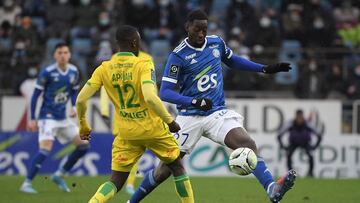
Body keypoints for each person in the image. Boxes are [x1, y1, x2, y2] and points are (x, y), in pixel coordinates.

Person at [130, 10, 295, 203]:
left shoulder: (216, 43)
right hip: (189, 117)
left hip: (216, 112)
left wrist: (264, 69)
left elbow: (233, 61)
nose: (201, 34)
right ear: (187, 27)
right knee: (164, 170)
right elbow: (165, 92)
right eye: (197, 29)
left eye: (204, 30)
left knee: (247, 144)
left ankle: (271, 188)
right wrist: (194, 101)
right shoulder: (178, 56)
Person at [76, 25, 194, 203]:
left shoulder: (104, 68)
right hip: (153, 130)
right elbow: (150, 97)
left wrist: (83, 124)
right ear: (134, 43)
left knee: (115, 180)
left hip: (126, 132)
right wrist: (170, 121)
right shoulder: (144, 64)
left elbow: (80, 100)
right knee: (177, 167)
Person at [19, 43, 89, 194]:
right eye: (60, 53)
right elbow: (35, 96)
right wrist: (32, 118)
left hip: (63, 119)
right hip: (47, 118)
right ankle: (26, 183)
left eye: (65, 52)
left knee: (83, 144)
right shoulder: (47, 72)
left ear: (69, 54)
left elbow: (73, 92)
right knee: (45, 149)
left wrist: (74, 106)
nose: (63, 55)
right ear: (55, 55)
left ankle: (59, 175)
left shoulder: (73, 71)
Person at [99, 51, 155, 195]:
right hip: (132, 117)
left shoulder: (143, 59)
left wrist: (104, 110)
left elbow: (151, 88)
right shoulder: (142, 60)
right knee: (133, 152)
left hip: (130, 118)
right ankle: (128, 183)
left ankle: (126, 183)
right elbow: (152, 89)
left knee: (131, 152)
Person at [277, 109, 322, 177]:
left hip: (305, 142)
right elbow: (279, 135)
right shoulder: (291, 123)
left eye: (300, 117)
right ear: (296, 116)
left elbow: (319, 135)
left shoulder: (307, 123)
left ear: (303, 116)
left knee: (311, 155)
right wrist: (283, 146)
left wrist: (315, 146)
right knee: (289, 154)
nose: (299, 119)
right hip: (294, 143)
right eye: (298, 117)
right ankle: (291, 173)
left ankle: (310, 173)